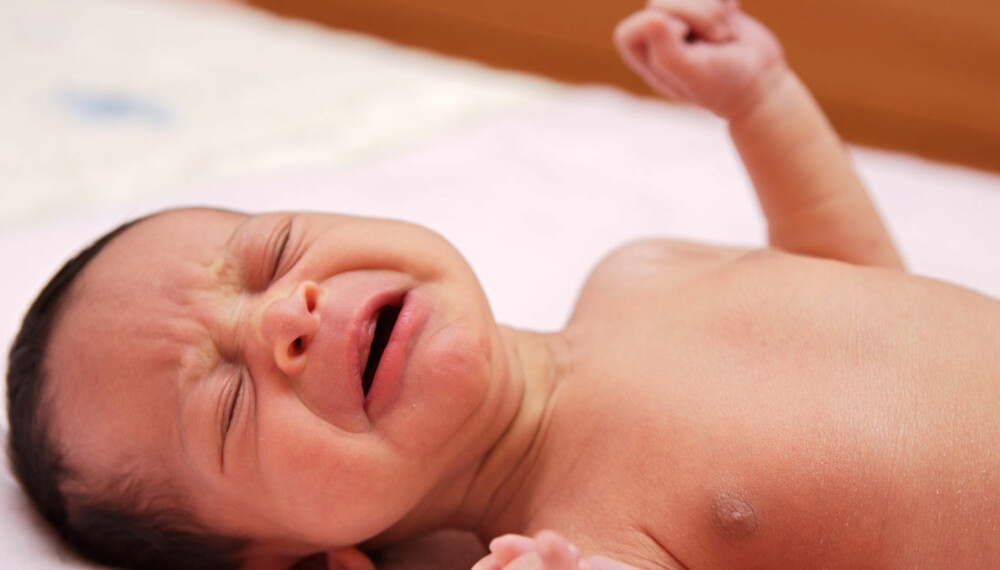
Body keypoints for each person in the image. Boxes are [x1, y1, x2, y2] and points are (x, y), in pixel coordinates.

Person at [7, 0, 999, 569]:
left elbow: (856, 283)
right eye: (224, 401)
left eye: (272, 256)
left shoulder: (641, 273)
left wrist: (761, 101)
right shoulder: (566, 542)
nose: (283, 315)